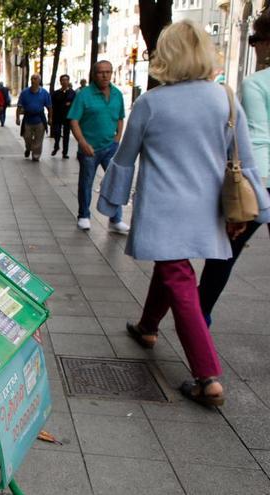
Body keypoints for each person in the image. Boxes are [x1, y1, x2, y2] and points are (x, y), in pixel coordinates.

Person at [97, 20, 270, 407]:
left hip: (164, 209)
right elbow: (246, 159)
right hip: (208, 209)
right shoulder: (225, 98)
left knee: (179, 278)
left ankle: (207, 375)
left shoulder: (151, 103)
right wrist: (257, 205)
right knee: (171, 269)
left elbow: (124, 161)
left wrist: (110, 203)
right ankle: (147, 327)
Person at [198, 8, 270, 327]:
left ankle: (199, 320)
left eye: (255, 39)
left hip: (262, 181)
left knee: (224, 252)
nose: (254, 47)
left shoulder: (256, 83)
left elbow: (255, 136)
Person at [69, 61, 130, 233]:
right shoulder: (84, 95)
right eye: (100, 72)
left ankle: (115, 219)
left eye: (108, 72)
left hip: (110, 146)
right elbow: (74, 120)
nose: (104, 76)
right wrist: (82, 142)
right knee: (86, 182)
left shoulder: (117, 94)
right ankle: (84, 215)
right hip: (90, 148)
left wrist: (118, 137)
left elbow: (120, 117)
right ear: (94, 74)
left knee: (114, 182)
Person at [16, 74, 52, 161]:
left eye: (35, 79)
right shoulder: (24, 93)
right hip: (28, 119)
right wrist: (17, 118)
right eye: (32, 78)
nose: (33, 80)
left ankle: (36, 155)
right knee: (26, 137)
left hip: (39, 119)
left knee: (38, 139)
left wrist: (50, 118)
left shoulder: (44, 93)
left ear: (39, 81)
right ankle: (29, 148)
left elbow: (49, 107)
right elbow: (19, 106)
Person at [51, 74, 76, 158]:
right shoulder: (56, 93)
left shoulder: (72, 93)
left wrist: (71, 104)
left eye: (66, 80)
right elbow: (52, 105)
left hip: (68, 117)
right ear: (60, 81)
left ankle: (65, 152)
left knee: (66, 134)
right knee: (57, 132)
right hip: (57, 116)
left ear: (68, 81)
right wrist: (50, 116)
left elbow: (76, 104)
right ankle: (56, 146)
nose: (64, 82)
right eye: (63, 80)